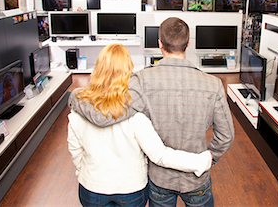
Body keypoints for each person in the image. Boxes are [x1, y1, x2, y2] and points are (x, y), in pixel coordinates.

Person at [73, 17, 235, 207]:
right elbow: (226, 136)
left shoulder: (141, 81)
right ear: (188, 43)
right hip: (197, 178)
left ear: (160, 44)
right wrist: (208, 158)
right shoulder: (213, 84)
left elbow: (105, 116)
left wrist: (75, 97)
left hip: (160, 179)